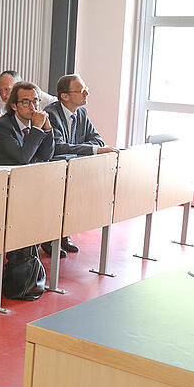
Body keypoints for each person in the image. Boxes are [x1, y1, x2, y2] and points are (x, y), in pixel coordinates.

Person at [43, 73, 117, 256]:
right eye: (82, 90)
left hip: (74, 167)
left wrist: (90, 148)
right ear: (65, 96)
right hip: (53, 169)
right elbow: (58, 147)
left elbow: (97, 139)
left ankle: (64, 235)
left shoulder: (81, 111)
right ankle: (48, 239)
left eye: (86, 89)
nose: (86, 94)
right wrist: (92, 150)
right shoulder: (51, 113)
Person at [0, 81, 55, 169]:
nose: (32, 107)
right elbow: (22, 158)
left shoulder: (34, 122)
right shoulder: (2, 126)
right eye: (26, 102)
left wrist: (47, 129)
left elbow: (46, 156)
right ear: (14, 106)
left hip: (21, 175)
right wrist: (36, 128)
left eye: (35, 101)